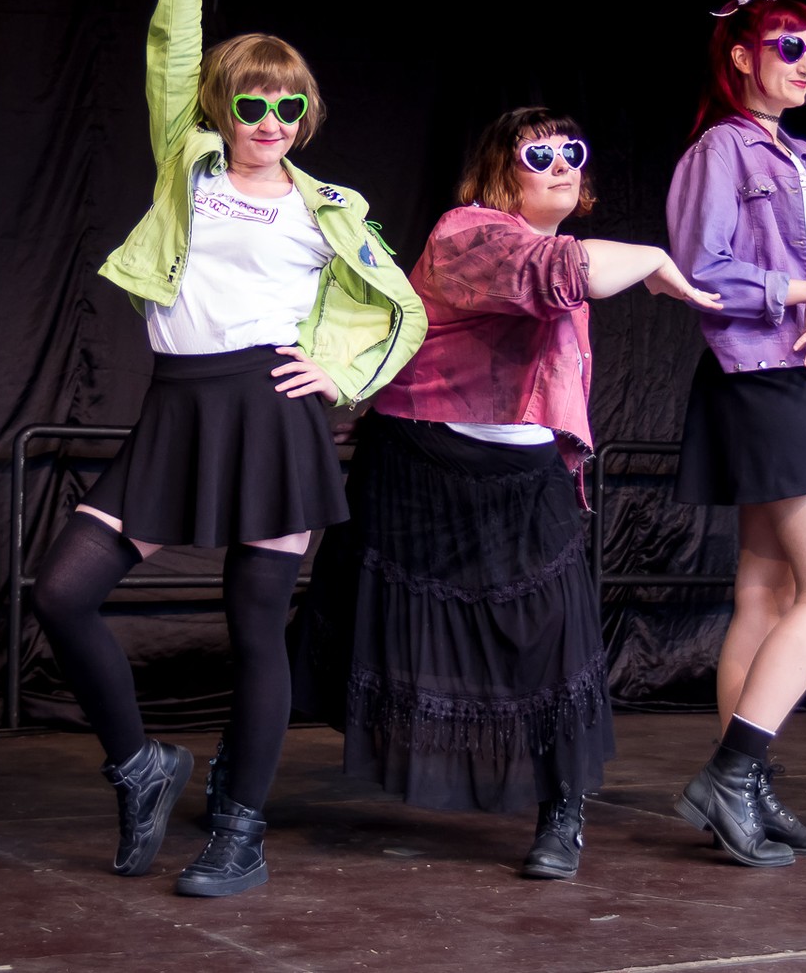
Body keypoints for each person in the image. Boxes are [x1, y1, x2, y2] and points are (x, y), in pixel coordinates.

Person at [28, 0, 426, 898]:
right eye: (252, 102)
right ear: (222, 106)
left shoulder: (331, 207)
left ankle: (240, 831)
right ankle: (142, 765)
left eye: (288, 105)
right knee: (63, 591)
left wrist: (342, 376)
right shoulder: (188, 163)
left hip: (271, 409)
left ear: (306, 113)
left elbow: (403, 309)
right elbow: (171, 42)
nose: (270, 119)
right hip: (180, 404)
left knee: (255, 629)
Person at [296, 106, 721, 881]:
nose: (561, 166)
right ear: (500, 171)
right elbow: (565, 273)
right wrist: (657, 256)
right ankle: (239, 781)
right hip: (424, 466)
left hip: (522, 477)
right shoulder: (469, 232)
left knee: (554, 638)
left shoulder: (555, 247)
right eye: (538, 155)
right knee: (350, 620)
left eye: (572, 152)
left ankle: (562, 811)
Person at [663, 0, 806, 867]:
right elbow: (698, 268)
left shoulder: (805, 155)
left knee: (767, 592)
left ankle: (745, 794)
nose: (805, 62)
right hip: (764, 374)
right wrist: (801, 290)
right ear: (741, 56)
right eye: (788, 45)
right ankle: (729, 774)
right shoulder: (721, 148)